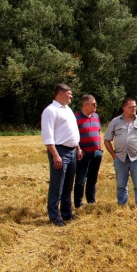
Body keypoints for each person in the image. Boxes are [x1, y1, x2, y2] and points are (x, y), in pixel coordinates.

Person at [41, 83, 82, 227]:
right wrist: (55, 155)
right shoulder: (50, 111)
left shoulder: (68, 109)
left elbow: (72, 131)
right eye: (69, 94)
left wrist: (77, 148)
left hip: (71, 151)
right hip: (59, 151)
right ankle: (54, 217)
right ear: (60, 94)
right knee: (57, 185)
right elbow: (48, 136)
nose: (71, 96)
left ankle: (67, 213)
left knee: (68, 186)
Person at [103, 98, 137, 208]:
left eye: (135, 107)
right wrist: (113, 155)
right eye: (131, 107)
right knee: (121, 185)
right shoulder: (115, 122)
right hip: (120, 159)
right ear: (124, 108)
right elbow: (107, 139)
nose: (134, 109)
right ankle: (121, 206)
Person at [74, 94, 103, 208]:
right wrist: (78, 149)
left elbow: (98, 131)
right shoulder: (75, 118)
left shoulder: (96, 116)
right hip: (83, 154)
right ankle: (78, 204)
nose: (96, 105)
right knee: (80, 180)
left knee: (92, 179)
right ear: (85, 105)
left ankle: (91, 201)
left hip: (96, 153)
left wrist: (100, 147)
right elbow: (73, 136)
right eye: (93, 104)